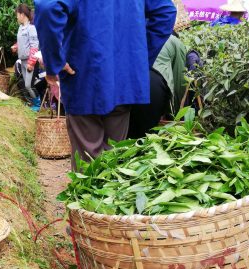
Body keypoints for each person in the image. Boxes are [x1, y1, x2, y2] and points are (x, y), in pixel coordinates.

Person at [34, 0, 177, 169]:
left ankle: (86, 193)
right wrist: (136, 59)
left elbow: (48, 7)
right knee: (113, 162)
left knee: (88, 166)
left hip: (84, 76)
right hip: (122, 80)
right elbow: (166, 13)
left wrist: (54, 61)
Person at [128, 32, 187, 139]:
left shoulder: (138, 33)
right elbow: (180, 80)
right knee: (145, 138)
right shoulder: (176, 42)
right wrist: (177, 116)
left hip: (125, 81)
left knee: (123, 138)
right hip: (152, 82)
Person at [11, 4, 41, 111]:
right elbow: (23, 43)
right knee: (25, 84)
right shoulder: (21, 28)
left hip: (29, 61)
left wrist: (31, 63)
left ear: (23, 14)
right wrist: (16, 46)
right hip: (22, 60)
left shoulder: (31, 28)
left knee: (29, 85)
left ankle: (37, 105)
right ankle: (30, 103)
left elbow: (34, 46)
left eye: (17, 15)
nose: (17, 17)